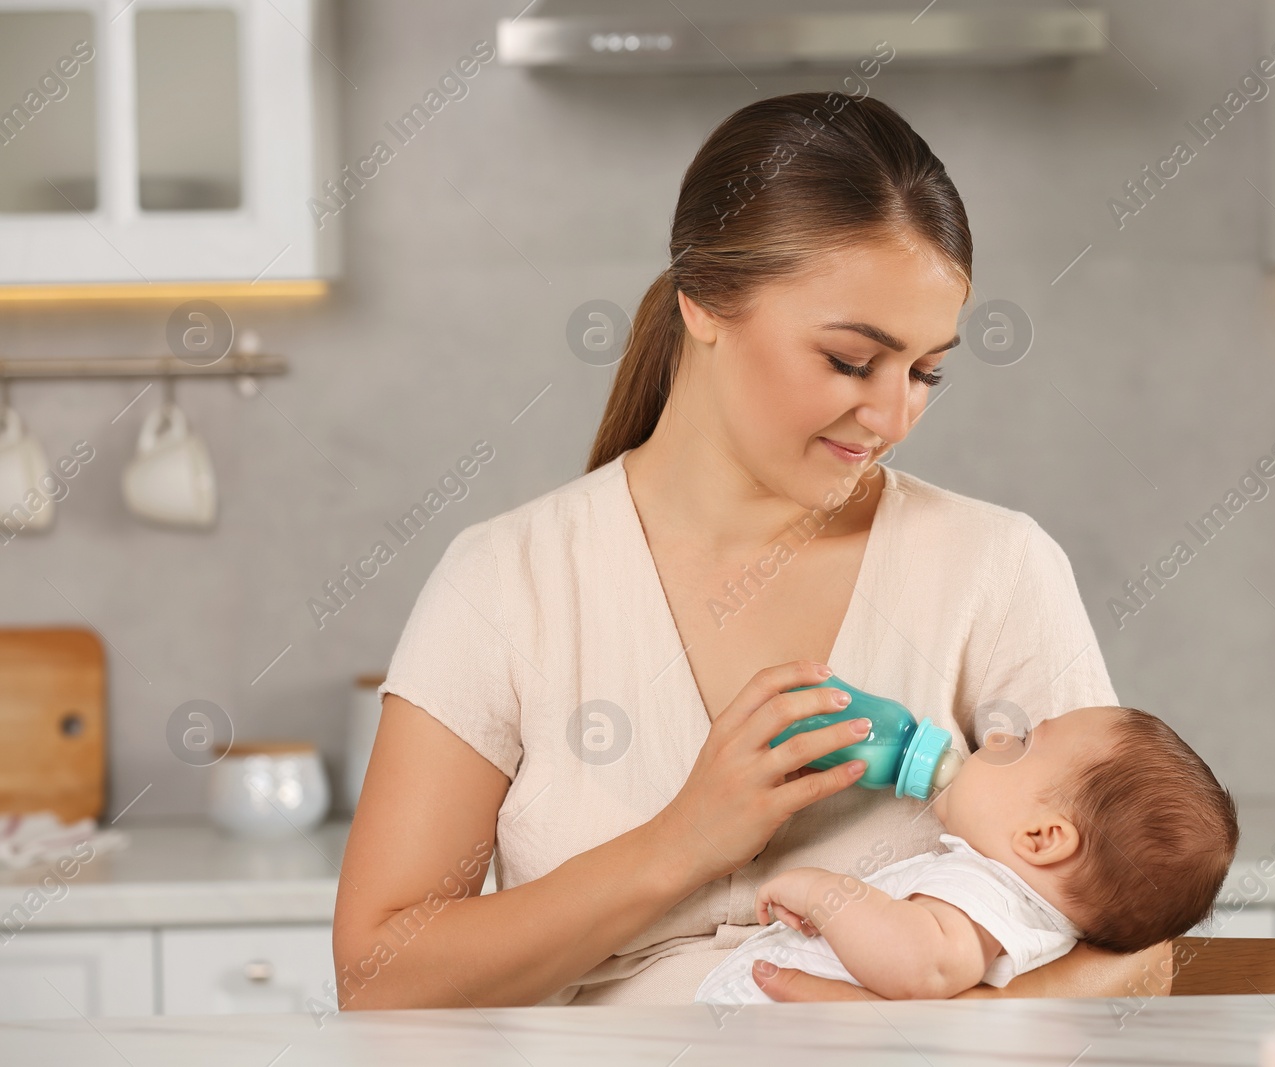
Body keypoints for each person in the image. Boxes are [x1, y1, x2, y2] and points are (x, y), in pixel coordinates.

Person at [333, 90, 1174, 1008]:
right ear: (705, 303)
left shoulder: (998, 569)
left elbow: (1139, 945)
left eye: (927, 371)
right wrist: (682, 842)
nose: (894, 416)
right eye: (853, 360)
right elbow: (378, 978)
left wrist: (921, 1024)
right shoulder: (507, 582)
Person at [696, 707, 1239, 1004]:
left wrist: (823, 891)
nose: (998, 736)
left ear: (1040, 838)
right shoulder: (1018, 906)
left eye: (1024, 744)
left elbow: (925, 963)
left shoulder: (989, 892)